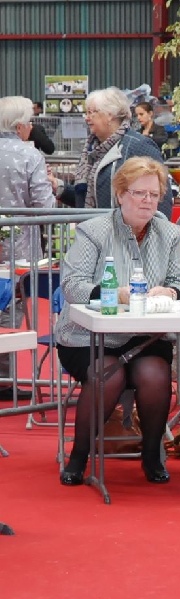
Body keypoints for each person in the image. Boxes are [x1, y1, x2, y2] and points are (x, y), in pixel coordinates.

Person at [55, 157, 180, 486]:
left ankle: (152, 454)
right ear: (120, 195)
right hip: (87, 337)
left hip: (145, 336)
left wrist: (170, 291)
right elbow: (73, 286)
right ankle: (78, 458)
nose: (147, 201)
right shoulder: (95, 230)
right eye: (139, 193)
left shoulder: (169, 233)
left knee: (155, 374)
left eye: (154, 195)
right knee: (108, 375)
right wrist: (116, 294)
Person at [0, 96, 55, 402]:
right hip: (19, 244)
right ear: (20, 125)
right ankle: (5, 377)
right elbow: (44, 206)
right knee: (13, 304)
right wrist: (54, 188)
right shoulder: (29, 155)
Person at [52, 87, 172, 219]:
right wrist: (59, 187)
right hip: (95, 234)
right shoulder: (91, 151)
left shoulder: (138, 146)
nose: (87, 118)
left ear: (110, 115)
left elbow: (162, 198)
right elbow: (87, 200)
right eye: (87, 113)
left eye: (92, 112)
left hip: (126, 236)